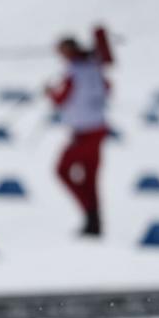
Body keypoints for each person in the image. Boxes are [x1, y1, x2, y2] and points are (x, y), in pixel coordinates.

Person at [46, 26, 113, 237]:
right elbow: (107, 84)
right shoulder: (94, 64)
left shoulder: (74, 70)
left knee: (62, 170)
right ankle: (93, 222)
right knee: (90, 178)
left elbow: (61, 99)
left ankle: (90, 216)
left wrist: (49, 93)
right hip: (98, 128)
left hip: (84, 132)